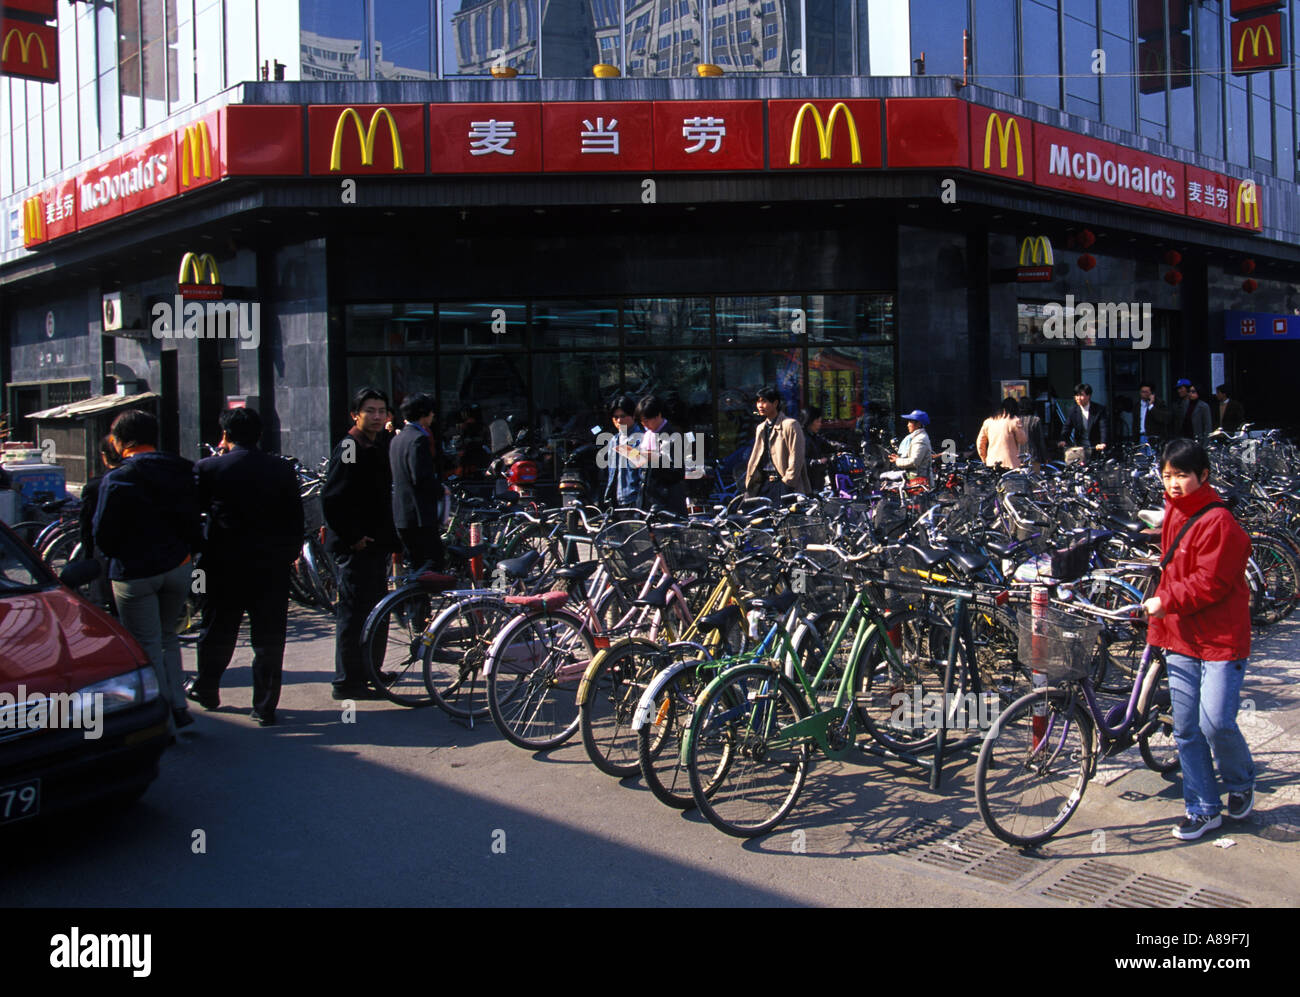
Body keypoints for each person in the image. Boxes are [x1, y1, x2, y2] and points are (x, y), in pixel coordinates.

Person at [1142, 440, 1254, 841]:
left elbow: (1212, 582)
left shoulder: (1220, 522)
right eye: (1167, 476)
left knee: (1215, 722)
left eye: (1182, 476)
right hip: (1180, 634)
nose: (1173, 484)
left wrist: (1164, 599)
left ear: (1203, 475)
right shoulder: (1174, 510)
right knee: (1186, 728)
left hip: (1221, 637)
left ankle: (1240, 782)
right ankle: (1204, 808)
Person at [190, 407, 304, 726]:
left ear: (225, 435)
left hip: (222, 565)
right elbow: (295, 520)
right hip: (270, 567)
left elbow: (191, 518)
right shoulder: (281, 469)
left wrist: (201, 553)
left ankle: (208, 688)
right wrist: (286, 555)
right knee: (268, 639)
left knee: (216, 631)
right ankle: (265, 705)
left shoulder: (208, 468)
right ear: (260, 435)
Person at [92, 409, 202, 734]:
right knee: (169, 636)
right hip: (179, 566)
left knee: (146, 643)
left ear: (120, 441)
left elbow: (103, 535)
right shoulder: (183, 470)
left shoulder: (118, 478)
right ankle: (180, 705)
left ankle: (163, 714)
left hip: (134, 573)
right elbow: (194, 521)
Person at [323, 387, 400, 700]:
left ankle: (371, 671)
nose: (378, 416)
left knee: (376, 611)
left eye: (382, 410)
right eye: (371, 410)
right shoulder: (350, 446)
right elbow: (332, 498)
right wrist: (353, 538)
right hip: (358, 547)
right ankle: (348, 681)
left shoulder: (375, 443)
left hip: (376, 543)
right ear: (355, 414)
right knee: (354, 614)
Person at [390, 392, 447, 573]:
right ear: (424, 414)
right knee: (432, 563)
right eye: (431, 412)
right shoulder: (418, 439)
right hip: (419, 515)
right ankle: (418, 599)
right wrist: (441, 490)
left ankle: (417, 601)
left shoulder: (397, 439)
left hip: (402, 514)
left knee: (416, 563)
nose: (433, 416)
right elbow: (421, 477)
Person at [78, 435, 123, 612]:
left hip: (105, 553)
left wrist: (88, 554)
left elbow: (87, 526)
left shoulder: (95, 486)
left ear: (104, 456)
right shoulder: (141, 478)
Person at [743, 386, 810, 500]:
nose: (760, 405)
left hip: (783, 482)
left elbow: (796, 456)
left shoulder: (790, 425)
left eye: (764, 401)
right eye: (758, 401)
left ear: (775, 403)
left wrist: (788, 481)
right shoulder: (761, 428)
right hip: (763, 483)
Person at [635, 394, 688, 515]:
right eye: (642, 421)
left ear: (658, 415)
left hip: (667, 501)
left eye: (646, 421)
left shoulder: (673, 436)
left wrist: (655, 459)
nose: (644, 424)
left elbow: (678, 472)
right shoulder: (648, 435)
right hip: (648, 499)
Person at [602, 394, 644, 508]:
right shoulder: (613, 441)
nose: (619, 420)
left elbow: (644, 471)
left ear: (633, 416)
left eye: (623, 416)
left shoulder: (641, 439)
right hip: (615, 500)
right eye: (616, 417)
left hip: (634, 500)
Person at [976, 398, 1027, 470]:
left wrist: (984, 459)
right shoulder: (1014, 421)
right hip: (1010, 464)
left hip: (992, 463)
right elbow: (1022, 440)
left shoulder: (988, 422)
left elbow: (980, 444)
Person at [887, 409, 932, 486]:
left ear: (918, 424)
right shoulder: (917, 437)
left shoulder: (920, 439)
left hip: (917, 481)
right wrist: (899, 458)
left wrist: (897, 460)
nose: (908, 425)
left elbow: (914, 462)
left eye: (910, 422)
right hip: (914, 479)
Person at [1062, 382, 1108, 459]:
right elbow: (1067, 426)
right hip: (1080, 447)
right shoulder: (1073, 410)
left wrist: (1103, 443)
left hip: (1095, 446)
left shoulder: (1099, 410)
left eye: (1081, 395)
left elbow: (1103, 428)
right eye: (1076, 395)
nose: (1078, 398)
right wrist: (1063, 440)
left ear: (1088, 396)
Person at [801, 406, 833, 493]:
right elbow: (800, 460)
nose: (820, 424)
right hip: (808, 481)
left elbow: (827, 444)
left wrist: (841, 447)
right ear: (809, 422)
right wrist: (817, 462)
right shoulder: (802, 438)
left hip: (817, 478)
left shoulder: (814, 436)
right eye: (817, 421)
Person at [1017, 396, 1047, 467]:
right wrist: (1045, 457)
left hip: (1018, 457)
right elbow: (1040, 441)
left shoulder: (1015, 421)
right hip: (1034, 457)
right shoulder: (1036, 420)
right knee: (1035, 476)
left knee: (1019, 477)